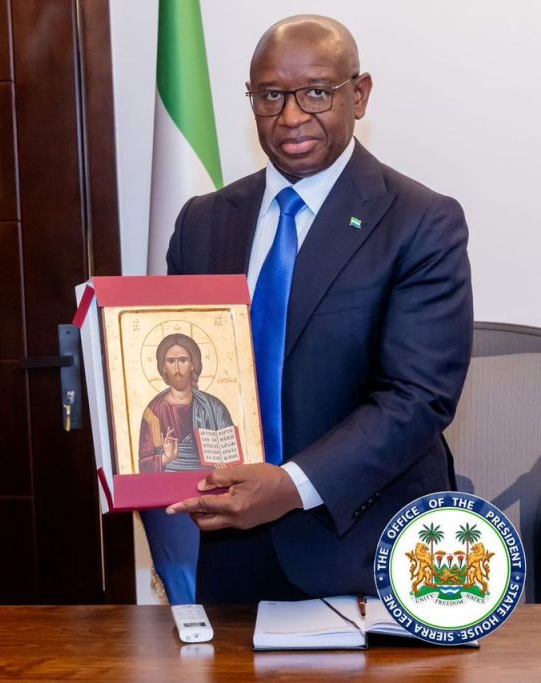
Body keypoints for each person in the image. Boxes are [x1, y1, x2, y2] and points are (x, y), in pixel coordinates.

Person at [164, 15, 473, 603]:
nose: (291, 116)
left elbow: (417, 397)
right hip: (232, 553)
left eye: (316, 92)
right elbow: (182, 367)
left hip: (369, 551)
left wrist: (290, 485)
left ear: (358, 96)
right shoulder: (202, 222)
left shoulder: (420, 221)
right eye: (270, 95)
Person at [138, 333, 235, 472]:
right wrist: (166, 458)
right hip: (168, 486)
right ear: (163, 366)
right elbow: (144, 464)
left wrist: (226, 465)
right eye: (171, 361)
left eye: (183, 360)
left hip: (211, 483)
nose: (177, 370)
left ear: (192, 365)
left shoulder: (214, 407)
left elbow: (232, 455)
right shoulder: (154, 411)